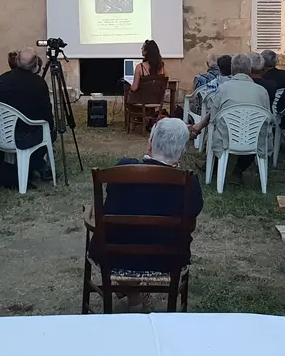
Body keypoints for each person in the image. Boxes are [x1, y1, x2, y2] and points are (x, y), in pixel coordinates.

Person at [97, 118, 203, 282]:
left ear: (150, 143)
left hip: (117, 257)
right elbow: (192, 216)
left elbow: (112, 198)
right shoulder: (190, 183)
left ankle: (132, 294)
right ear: (181, 150)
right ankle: (134, 296)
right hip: (167, 261)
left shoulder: (122, 169)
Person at [189, 54, 273, 184]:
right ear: (249, 70)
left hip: (227, 136)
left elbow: (214, 118)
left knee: (218, 128)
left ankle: (214, 166)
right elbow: (268, 119)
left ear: (232, 69)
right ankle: (238, 171)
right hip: (254, 138)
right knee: (257, 132)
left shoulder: (223, 89)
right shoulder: (262, 91)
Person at [0, 48, 56, 178]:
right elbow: (46, 113)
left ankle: (33, 164)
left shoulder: (1, 80)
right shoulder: (38, 83)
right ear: (35, 65)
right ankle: (36, 163)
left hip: (1, 134)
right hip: (27, 135)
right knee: (50, 133)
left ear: (17, 61)